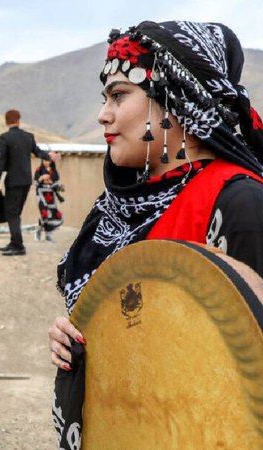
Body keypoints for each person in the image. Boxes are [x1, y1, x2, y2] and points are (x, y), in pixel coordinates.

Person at [48, 21, 263, 450]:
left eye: (119, 95)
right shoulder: (119, 205)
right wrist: (72, 336)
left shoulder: (238, 203)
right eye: (104, 98)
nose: (102, 114)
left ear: (175, 100)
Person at [0, 109, 58, 256]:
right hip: (26, 181)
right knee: (15, 213)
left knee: (12, 213)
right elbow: (38, 152)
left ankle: (18, 246)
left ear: (6, 121)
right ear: (19, 120)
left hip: (13, 182)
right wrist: (49, 156)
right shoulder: (28, 137)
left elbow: (0, 162)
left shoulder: (5, 138)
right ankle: (14, 242)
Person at [33, 159, 64, 242]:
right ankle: (38, 231)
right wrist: (41, 178)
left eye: (48, 160)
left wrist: (57, 185)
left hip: (51, 195)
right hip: (41, 194)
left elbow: (57, 185)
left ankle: (48, 235)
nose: (46, 162)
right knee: (45, 213)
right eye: (44, 160)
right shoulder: (39, 170)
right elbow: (35, 183)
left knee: (55, 216)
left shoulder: (54, 171)